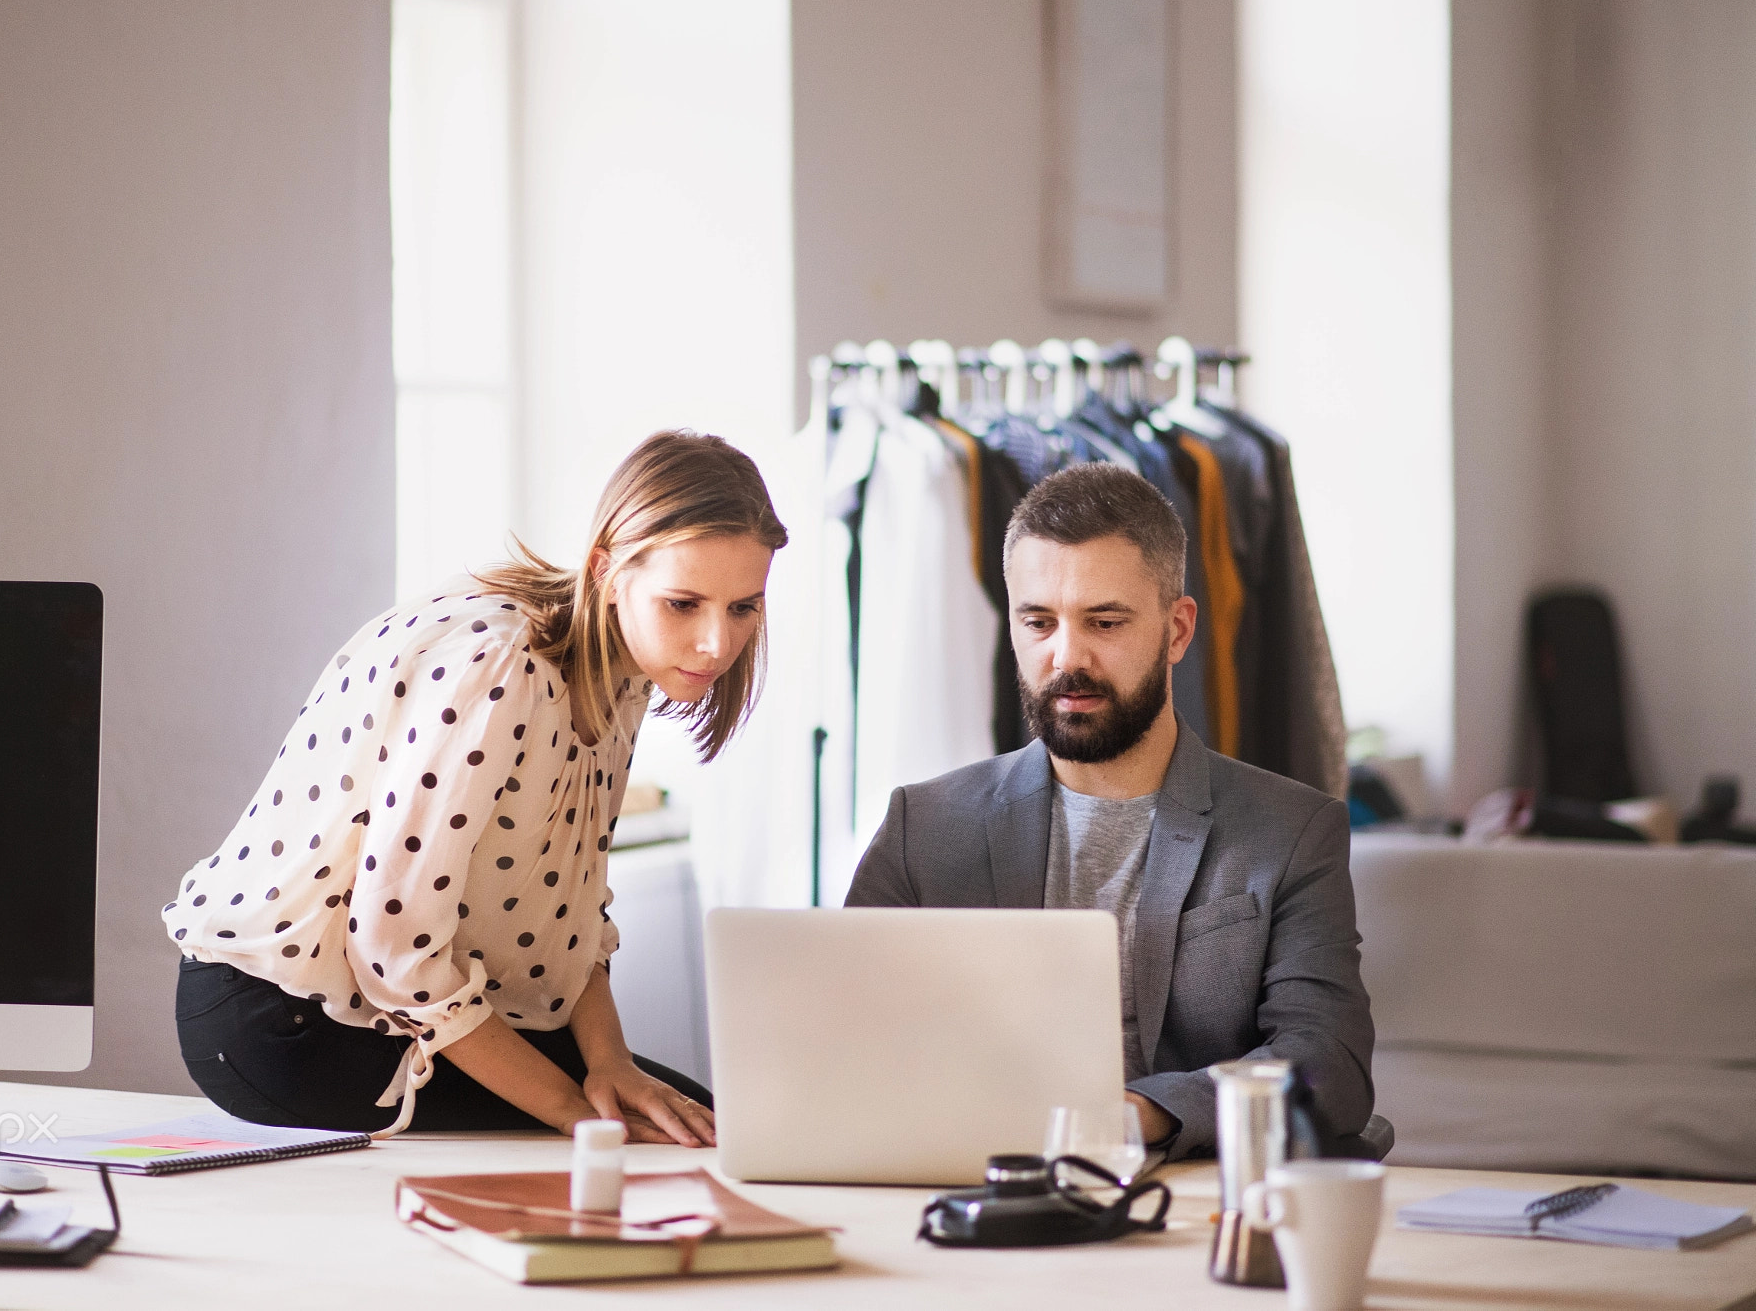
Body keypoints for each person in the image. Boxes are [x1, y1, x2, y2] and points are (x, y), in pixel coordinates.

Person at [167, 431, 786, 1144]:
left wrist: (611, 1062)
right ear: (607, 571)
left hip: (404, 1005)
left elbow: (573, 904)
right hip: (288, 1017)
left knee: (710, 1125)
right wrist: (578, 1116)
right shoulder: (501, 666)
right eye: (684, 604)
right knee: (682, 1143)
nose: (717, 642)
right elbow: (393, 947)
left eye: (744, 607)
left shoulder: (623, 669)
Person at [845, 463, 1384, 1162]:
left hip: (1188, 1198)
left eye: (1104, 621)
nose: (1067, 656)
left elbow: (1327, 1066)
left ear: (1178, 630)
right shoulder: (924, 827)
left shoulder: (1289, 832)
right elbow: (844, 1036)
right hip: (974, 1185)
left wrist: (1143, 1113)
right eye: (1038, 622)